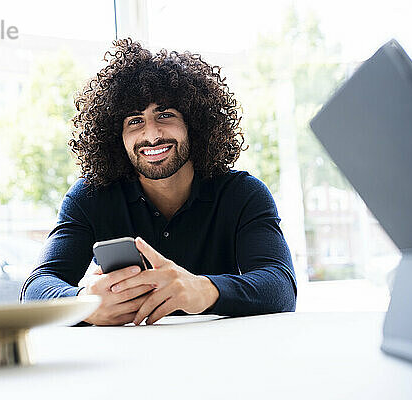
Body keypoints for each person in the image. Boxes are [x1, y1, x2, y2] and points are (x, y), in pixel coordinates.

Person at [21, 38, 297, 326]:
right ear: (117, 137)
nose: (151, 135)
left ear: (195, 126)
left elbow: (280, 286)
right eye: (134, 121)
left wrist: (204, 289)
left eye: (165, 115)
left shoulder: (242, 194)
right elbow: (37, 287)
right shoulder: (90, 197)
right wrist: (83, 304)